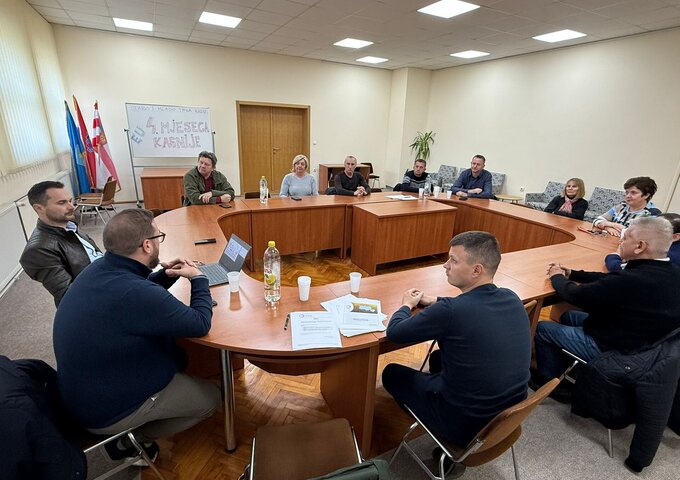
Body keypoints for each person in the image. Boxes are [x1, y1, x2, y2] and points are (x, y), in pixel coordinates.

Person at [53, 209, 221, 462]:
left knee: (178, 354)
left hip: (81, 393)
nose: (159, 242)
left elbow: (136, 294)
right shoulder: (134, 293)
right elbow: (199, 324)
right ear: (147, 245)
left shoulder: (99, 269)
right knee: (211, 399)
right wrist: (199, 278)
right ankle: (131, 440)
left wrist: (166, 274)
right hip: (105, 411)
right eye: (158, 237)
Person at [382, 231, 530, 450]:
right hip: (507, 417)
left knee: (391, 373)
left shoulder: (451, 311)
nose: (445, 265)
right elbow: (469, 307)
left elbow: (395, 332)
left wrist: (406, 305)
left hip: (465, 426)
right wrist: (436, 300)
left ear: (476, 270)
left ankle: (433, 422)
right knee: (438, 357)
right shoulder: (511, 296)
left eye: (453, 260)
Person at [534, 217, 680, 383]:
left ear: (640, 246)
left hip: (617, 350)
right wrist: (573, 274)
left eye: (625, 239)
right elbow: (611, 279)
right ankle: (572, 366)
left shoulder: (632, 280)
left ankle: (549, 382)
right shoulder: (670, 272)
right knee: (568, 316)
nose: (620, 243)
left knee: (542, 329)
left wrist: (556, 276)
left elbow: (575, 295)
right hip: (643, 342)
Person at [19, 181, 103, 307]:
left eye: (70, 200)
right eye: (62, 203)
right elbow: (71, 296)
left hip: (105, 277)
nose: (72, 207)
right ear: (39, 208)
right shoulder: (38, 250)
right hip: (97, 300)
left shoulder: (69, 226)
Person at [605, 212, 680, 271]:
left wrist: (615, 256)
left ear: (675, 237)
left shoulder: (666, 254)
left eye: (658, 229)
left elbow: (622, 269)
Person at [593, 176, 661, 236]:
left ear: (646, 195)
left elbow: (638, 236)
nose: (628, 196)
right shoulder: (621, 206)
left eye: (633, 193)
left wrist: (608, 224)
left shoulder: (653, 215)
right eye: (627, 192)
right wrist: (609, 227)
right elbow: (597, 220)